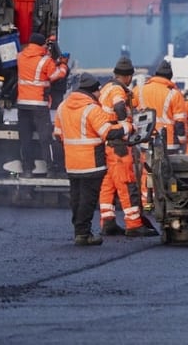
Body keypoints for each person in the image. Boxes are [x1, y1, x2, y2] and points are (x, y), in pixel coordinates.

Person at [53, 73, 115, 247]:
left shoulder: (62, 106)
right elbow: (107, 133)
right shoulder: (92, 109)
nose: (99, 95)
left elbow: (58, 135)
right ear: (93, 91)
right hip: (92, 163)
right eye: (98, 92)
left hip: (72, 163)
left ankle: (79, 231)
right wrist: (127, 128)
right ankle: (83, 234)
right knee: (88, 199)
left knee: (77, 198)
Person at [97, 56, 154, 237]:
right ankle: (134, 224)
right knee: (127, 183)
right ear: (128, 77)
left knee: (109, 184)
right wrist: (125, 127)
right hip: (118, 145)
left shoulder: (106, 88)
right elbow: (120, 107)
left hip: (106, 144)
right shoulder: (117, 90)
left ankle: (108, 221)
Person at [131, 60, 188, 207]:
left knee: (147, 171)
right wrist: (182, 140)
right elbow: (180, 122)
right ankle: (163, 201)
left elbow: (130, 110)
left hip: (145, 138)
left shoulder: (140, 90)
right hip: (168, 141)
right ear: (170, 77)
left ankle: (146, 202)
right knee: (166, 172)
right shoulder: (174, 94)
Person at [17, 32, 69, 178]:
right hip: (39, 105)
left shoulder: (20, 57)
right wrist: (63, 63)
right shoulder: (45, 61)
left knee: (25, 138)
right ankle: (51, 169)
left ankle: (27, 169)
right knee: (45, 138)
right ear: (41, 45)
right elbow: (56, 75)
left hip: (22, 105)